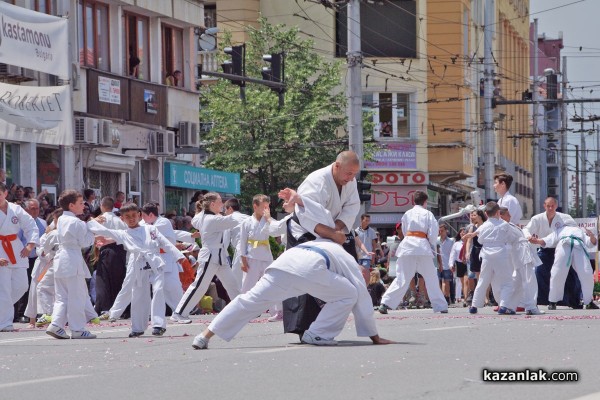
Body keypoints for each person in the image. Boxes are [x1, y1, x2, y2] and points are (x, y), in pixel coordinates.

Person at [191, 189, 393, 349]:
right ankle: (318, 333)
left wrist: (298, 200)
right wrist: (374, 336)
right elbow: (361, 295)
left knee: (248, 301)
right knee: (350, 292)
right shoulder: (342, 254)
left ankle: (205, 335)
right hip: (310, 268)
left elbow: (314, 215)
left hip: (284, 264)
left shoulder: (319, 236)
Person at [281, 151, 361, 337]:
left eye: (354, 174)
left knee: (346, 269)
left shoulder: (350, 181)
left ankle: (324, 325)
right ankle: (302, 327)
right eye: (348, 173)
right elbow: (307, 215)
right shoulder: (316, 181)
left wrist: (338, 229)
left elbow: (351, 208)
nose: (351, 178)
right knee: (307, 274)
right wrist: (333, 234)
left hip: (333, 229)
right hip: (306, 230)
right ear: (337, 166)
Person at [88, 203, 185, 337]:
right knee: (138, 294)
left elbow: (164, 242)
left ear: (139, 215)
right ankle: (138, 327)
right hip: (138, 263)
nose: (132, 219)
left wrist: (177, 255)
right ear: (122, 219)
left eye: (134, 215)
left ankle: (158, 325)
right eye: (127, 217)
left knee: (158, 291)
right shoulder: (123, 233)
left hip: (155, 261)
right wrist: (92, 221)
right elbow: (105, 231)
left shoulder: (151, 229)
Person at [378, 191, 449, 314]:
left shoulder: (407, 213)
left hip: (407, 247)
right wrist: (430, 243)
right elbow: (433, 233)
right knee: (431, 277)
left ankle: (385, 303)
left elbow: (405, 231)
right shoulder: (428, 214)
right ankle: (440, 306)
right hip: (422, 247)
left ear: (413, 201)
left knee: (402, 278)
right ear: (425, 202)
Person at [173, 192, 242, 319]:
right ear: (212, 204)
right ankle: (179, 313)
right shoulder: (212, 219)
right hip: (210, 256)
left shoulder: (206, 217)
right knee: (199, 285)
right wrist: (255, 217)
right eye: (220, 201)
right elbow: (232, 220)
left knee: (232, 285)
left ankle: (242, 312)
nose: (223, 204)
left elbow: (195, 221)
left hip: (219, 257)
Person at [46, 190, 97, 339]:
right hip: (72, 259)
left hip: (61, 259)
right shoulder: (76, 222)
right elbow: (85, 242)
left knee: (62, 296)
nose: (83, 206)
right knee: (77, 295)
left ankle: (56, 325)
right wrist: (91, 229)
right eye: (80, 203)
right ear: (71, 205)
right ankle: (78, 329)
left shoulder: (61, 218)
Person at [465, 202, 522, 315]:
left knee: (483, 281)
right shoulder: (504, 225)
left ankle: (474, 305)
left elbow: (480, 240)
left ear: (486, 213)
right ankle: (503, 306)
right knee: (507, 282)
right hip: (501, 254)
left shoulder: (484, 226)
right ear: (498, 213)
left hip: (486, 255)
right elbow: (511, 237)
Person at [523, 197, 581, 308]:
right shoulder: (537, 218)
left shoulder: (565, 218)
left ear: (556, 206)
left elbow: (575, 229)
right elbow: (526, 229)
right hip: (545, 250)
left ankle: (574, 301)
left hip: (562, 249)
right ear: (544, 206)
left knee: (570, 274)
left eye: (552, 206)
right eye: (548, 206)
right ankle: (543, 300)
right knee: (539, 272)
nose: (550, 208)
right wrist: (529, 236)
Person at [529, 219, 598, 310]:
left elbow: (591, 242)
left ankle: (588, 301)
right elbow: (549, 239)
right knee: (557, 272)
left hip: (578, 246)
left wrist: (592, 236)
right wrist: (537, 241)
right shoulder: (560, 230)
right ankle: (553, 301)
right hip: (564, 245)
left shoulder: (580, 231)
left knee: (586, 272)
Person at [140, 202, 190, 324]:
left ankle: (180, 312)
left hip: (166, 259)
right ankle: (151, 315)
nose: (142, 218)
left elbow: (146, 232)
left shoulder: (163, 222)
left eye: (143, 215)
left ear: (150, 214)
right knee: (155, 290)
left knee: (173, 287)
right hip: (152, 261)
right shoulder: (145, 223)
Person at [0, 183, 39, 332]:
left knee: (22, 285)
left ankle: (2, 312)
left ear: (5, 193)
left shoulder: (16, 209)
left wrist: (30, 245)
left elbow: (31, 225)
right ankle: (4, 323)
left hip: (15, 248)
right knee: (3, 288)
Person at [498, 207, 544, 315]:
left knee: (517, 282)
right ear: (501, 215)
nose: (510, 216)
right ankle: (531, 306)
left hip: (520, 251)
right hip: (520, 251)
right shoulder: (502, 226)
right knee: (529, 279)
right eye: (507, 214)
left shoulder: (509, 225)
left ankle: (509, 306)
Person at [93, 197, 128, 316]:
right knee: (118, 280)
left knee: (103, 280)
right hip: (120, 251)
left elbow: (96, 236)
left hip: (106, 250)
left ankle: (104, 307)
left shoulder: (100, 220)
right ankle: (119, 308)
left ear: (102, 206)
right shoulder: (119, 220)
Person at [17, 199, 47, 324]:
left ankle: (37, 312)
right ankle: (20, 313)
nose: (35, 211)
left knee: (38, 286)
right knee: (25, 285)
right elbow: (17, 240)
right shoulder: (20, 224)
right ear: (26, 210)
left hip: (39, 259)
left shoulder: (43, 223)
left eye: (37, 208)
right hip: (24, 258)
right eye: (32, 208)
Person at [223, 197, 250, 290]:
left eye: (225, 210)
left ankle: (240, 303)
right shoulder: (248, 217)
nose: (225, 213)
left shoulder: (228, 218)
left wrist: (224, 257)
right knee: (252, 280)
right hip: (256, 248)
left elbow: (225, 242)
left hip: (241, 249)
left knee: (237, 281)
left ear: (230, 208)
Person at [464, 209, 486, 306]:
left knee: (485, 274)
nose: (472, 217)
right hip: (476, 251)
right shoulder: (472, 227)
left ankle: (486, 297)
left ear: (479, 215)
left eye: (474, 215)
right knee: (477, 275)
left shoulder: (486, 225)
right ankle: (480, 296)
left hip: (485, 250)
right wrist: (467, 252)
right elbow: (469, 240)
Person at [437, 223, 454, 304]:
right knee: (438, 282)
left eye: (442, 230)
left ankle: (446, 297)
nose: (440, 232)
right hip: (437, 265)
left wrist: (453, 264)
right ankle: (442, 297)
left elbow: (453, 253)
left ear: (446, 231)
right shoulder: (436, 240)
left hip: (447, 264)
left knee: (446, 282)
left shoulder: (451, 241)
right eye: (439, 231)